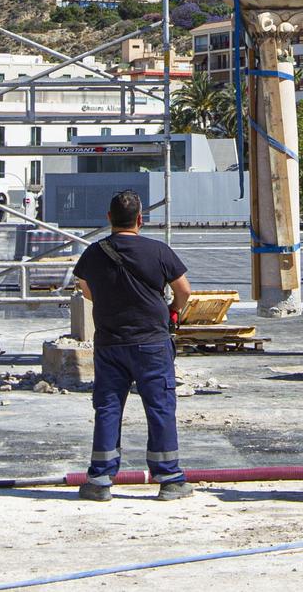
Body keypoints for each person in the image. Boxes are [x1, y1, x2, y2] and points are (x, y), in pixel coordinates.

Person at [70, 190, 194, 501]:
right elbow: (184, 290)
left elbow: (86, 290)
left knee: (108, 408)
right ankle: (169, 479)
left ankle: (99, 480)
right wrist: (172, 311)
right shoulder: (159, 251)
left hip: (110, 342)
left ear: (109, 218)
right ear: (141, 219)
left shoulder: (93, 253)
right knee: (160, 407)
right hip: (152, 342)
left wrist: (111, 300)